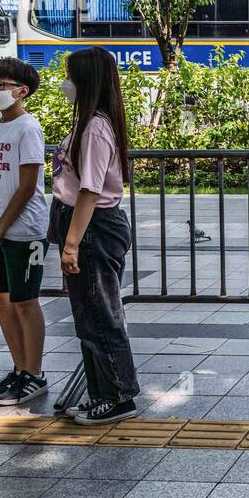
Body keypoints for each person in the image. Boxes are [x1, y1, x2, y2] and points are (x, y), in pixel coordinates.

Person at [48, 46, 140, 425]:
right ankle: (103, 392)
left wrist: (72, 243)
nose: (66, 83)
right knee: (89, 316)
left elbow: (89, 189)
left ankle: (118, 396)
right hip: (86, 225)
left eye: (70, 75)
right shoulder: (91, 123)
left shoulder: (95, 126)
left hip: (93, 228)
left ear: (86, 81)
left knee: (100, 317)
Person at [0, 57, 50, 407]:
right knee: (1, 300)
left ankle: (34, 374)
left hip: (23, 230)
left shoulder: (28, 128)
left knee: (24, 301)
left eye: (1, 84)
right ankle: (19, 369)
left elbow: (27, 187)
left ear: (21, 91)